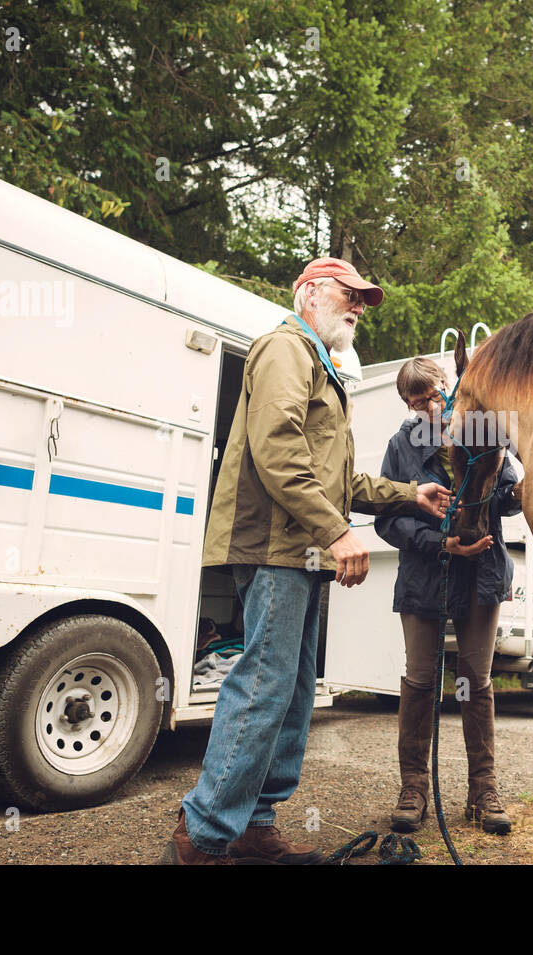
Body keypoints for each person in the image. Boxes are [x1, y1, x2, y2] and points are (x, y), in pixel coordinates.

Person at [162, 258, 451, 865]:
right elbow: (278, 450)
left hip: (299, 552)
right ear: (310, 291)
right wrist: (337, 531)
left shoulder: (322, 363)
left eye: (365, 301)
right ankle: (203, 835)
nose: (358, 307)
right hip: (275, 549)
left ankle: (253, 825)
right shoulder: (285, 347)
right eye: (350, 295)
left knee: (292, 695)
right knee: (263, 688)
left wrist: (409, 494)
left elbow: (338, 478)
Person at [374, 357, 522, 835]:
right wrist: (439, 543)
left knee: (476, 681)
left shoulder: (484, 429)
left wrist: (515, 494)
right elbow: (387, 520)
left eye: (436, 394)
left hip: (481, 573)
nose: (431, 407)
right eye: (417, 403)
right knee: (420, 679)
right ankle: (414, 788)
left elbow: (500, 498)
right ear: (408, 407)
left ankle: (483, 790)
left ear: (450, 385)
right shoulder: (401, 445)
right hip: (426, 576)